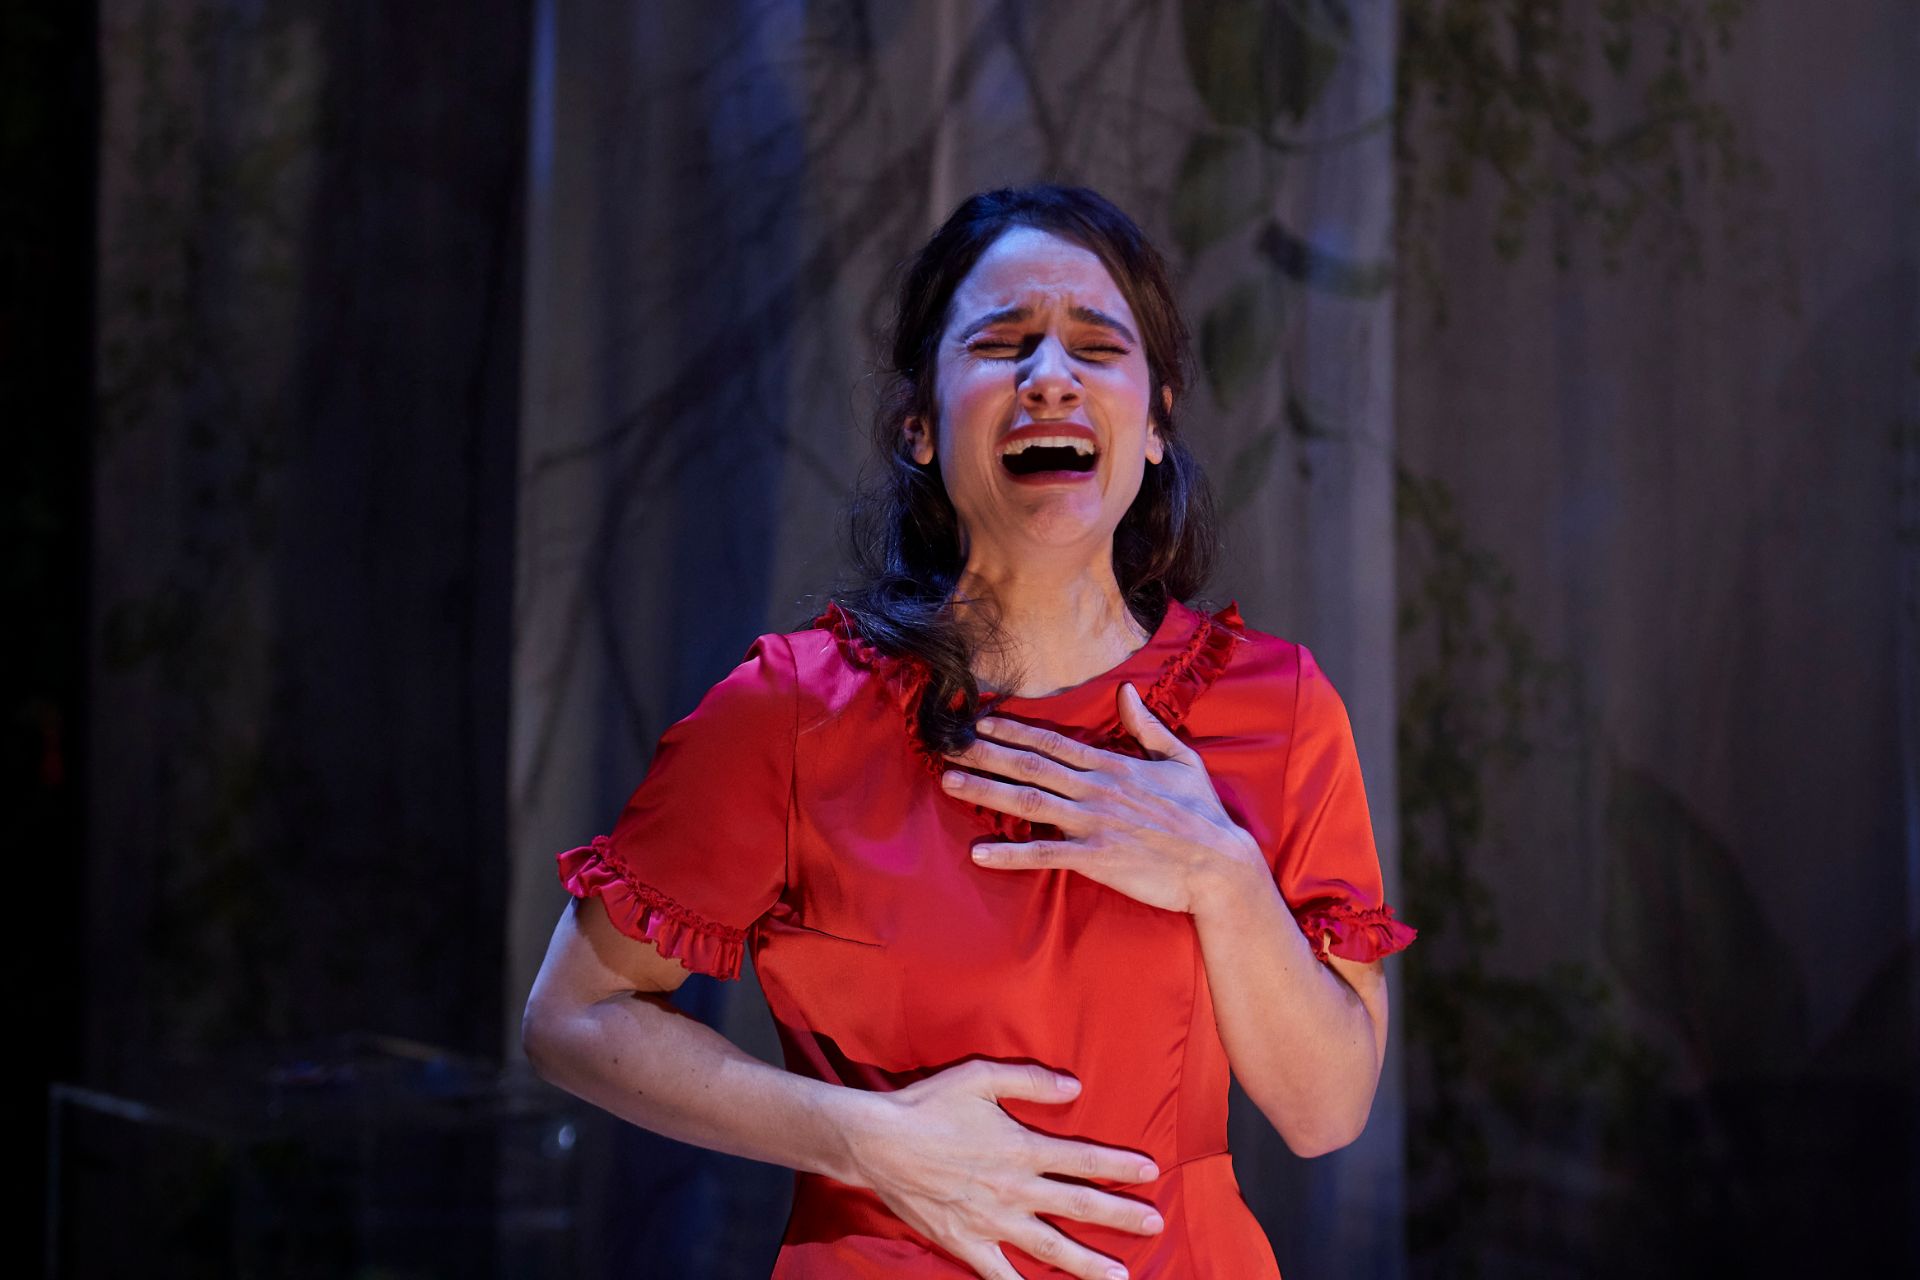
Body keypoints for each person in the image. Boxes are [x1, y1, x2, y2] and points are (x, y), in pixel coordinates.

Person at [521, 183, 1416, 1280]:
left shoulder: (1276, 706)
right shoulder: (792, 712)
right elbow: (574, 1017)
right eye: (1000, 344)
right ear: (920, 424)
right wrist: (868, 1138)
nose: (1051, 377)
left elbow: (1327, 1112)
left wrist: (1221, 874)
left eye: (1099, 346)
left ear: (1156, 421)